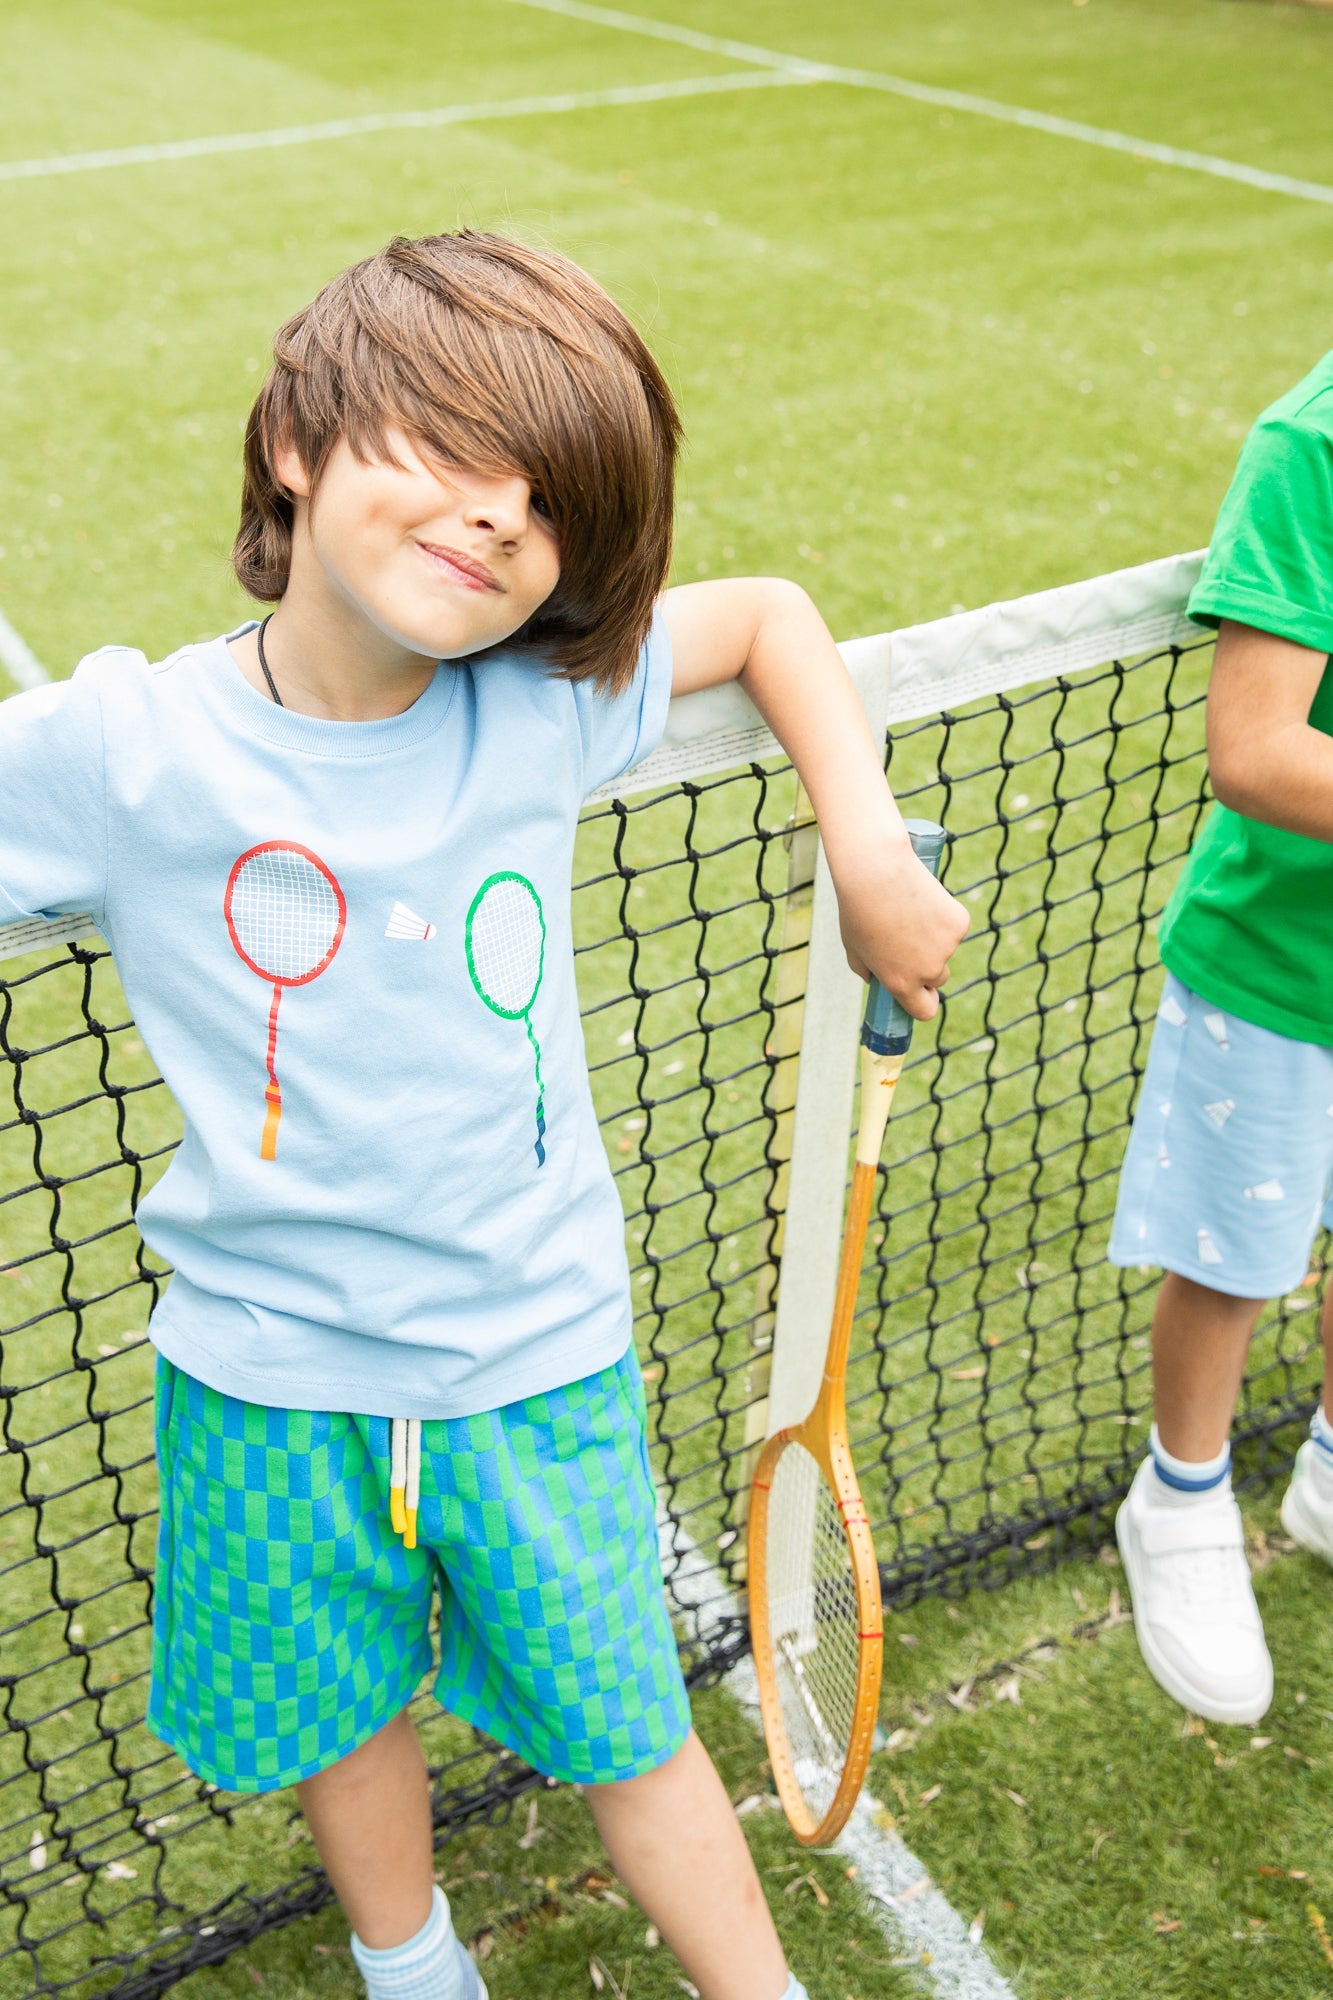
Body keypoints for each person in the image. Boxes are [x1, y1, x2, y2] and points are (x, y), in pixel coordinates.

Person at [0, 233, 968, 2000]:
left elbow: (764, 621)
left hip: (539, 1367)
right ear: (295, 445)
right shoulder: (120, 749)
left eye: (550, 504)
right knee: (339, 1709)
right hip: (266, 1378)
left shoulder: (538, 713)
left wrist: (863, 838)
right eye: (445, 452)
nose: (499, 518)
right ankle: (411, 1960)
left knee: (626, 1728)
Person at [1110, 350, 1333, 1729]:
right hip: (1273, 972)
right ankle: (1178, 1496)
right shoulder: (1309, 446)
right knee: (1235, 1254)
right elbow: (1254, 749)